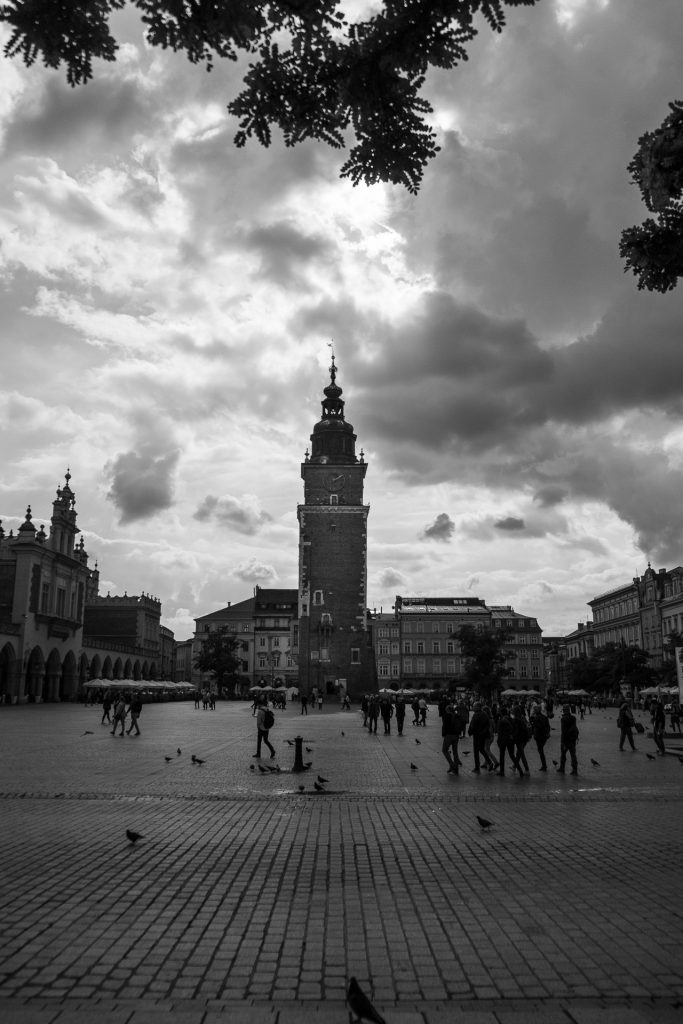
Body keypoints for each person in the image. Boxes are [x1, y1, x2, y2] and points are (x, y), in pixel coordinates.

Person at [468, 701, 494, 773]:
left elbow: (473, 725)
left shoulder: (476, 714)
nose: (473, 708)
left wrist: (470, 732)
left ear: (478, 707)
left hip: (477, 735)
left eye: (474, 706)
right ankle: (489, 762)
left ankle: (477, 767)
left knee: (476, 751)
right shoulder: (485, 714)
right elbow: (487, 725)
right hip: (484, 735)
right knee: (482, 749)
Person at [441, 702, 462, 774]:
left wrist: (443, 734)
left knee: (444, 750)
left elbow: (445, 726)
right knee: (455, 752)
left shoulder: (446, 716)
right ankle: (456, 769)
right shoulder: (457, 715)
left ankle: (452, 765)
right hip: (456, 735)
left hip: (449, 735)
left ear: (447, 710)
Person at [558, 704, 579, 774]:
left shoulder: (563, 719)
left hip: (566, 740)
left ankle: (562, 768)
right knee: (573, 755)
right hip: (572, 739)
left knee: (563, 754)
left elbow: (563, 731)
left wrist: (562, 742)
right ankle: (575, 769)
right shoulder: (573, 718)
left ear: (564, 710)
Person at [495, 706, 516, 776]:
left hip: (503, 740)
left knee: (502, 755)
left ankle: (502, 771)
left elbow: (500, 732)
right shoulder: (511, 719)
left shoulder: (501, 720)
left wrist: (498, 740)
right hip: (510, 740)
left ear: (501, 713)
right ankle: (519, 768)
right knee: (512, 755)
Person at [511, 706, 531, 776]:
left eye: (513, 710)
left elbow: (516, 731)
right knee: (519, 753)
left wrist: (513, 738)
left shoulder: (516, 719)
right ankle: (514, 766)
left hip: (520, 739)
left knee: (521, 754)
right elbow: (528, 724)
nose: (512, 711)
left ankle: (527, 769)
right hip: (525, 738)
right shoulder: (523, 717)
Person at [530, 703, 551, 771]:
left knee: (540, 750)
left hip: (539, 736)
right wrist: (547, 733)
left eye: (534, 710)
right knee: (540, 750)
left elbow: (536, 727)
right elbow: (548, 726)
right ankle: (544, 765)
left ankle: (544, 765)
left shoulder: (536, 718)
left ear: (536, 711)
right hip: (545, 736)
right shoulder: (544, 717)